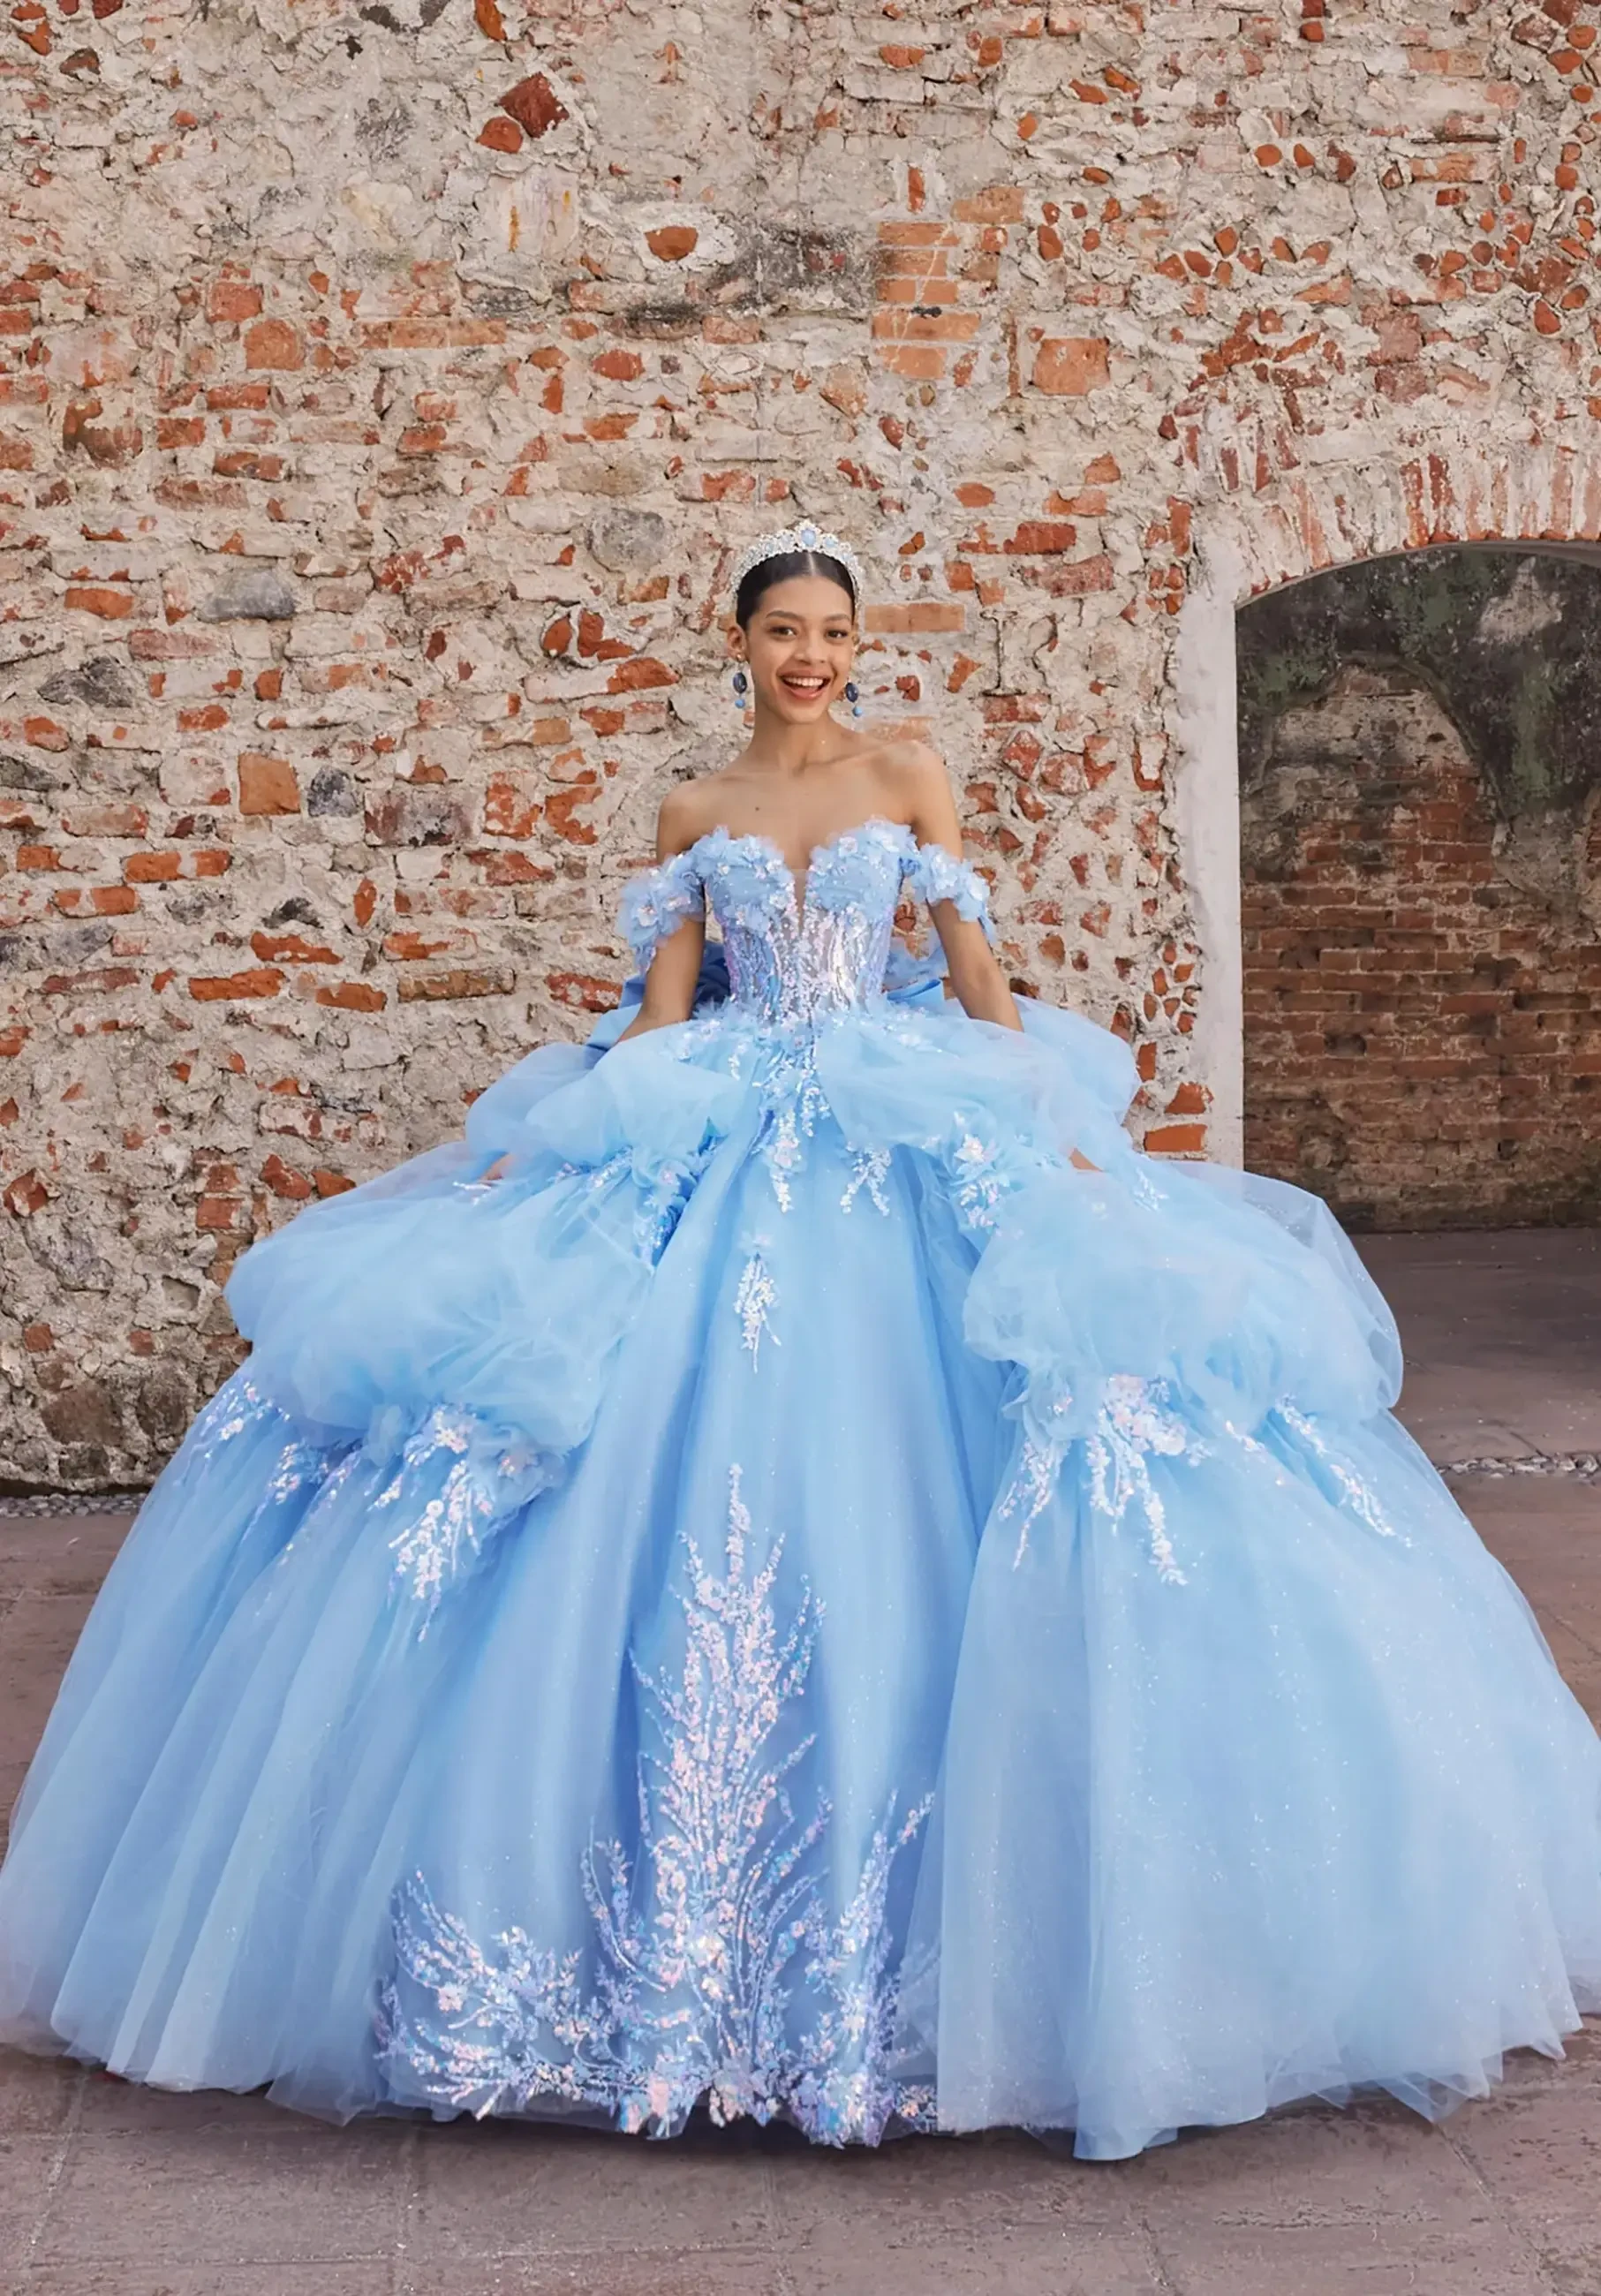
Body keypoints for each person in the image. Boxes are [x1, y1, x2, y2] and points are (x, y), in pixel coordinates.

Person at [1, 522, 1598, 2164]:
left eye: (834, 628)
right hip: (730, 1114)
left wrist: (1054, 1125)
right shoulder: (698, 812)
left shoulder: (911, 774)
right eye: (784, 629)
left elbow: (973, 967)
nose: (811, 653)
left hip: (898, 1112)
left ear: (859, 639)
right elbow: (664, 1013)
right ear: (739, 639)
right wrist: (549, 1136)